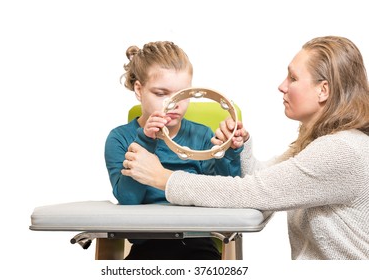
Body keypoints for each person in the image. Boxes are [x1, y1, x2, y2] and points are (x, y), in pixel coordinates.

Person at [121, 36, 369, 260]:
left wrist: (164, 178)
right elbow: (263, 182)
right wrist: (240, 147)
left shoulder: (341, 151)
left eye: (293, 78)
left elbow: (254, 192)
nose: (282, 86)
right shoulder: (318, 144)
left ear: (323, 90)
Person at [105, 41, 244, 260]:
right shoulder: (120, 138)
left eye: (182, 95)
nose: (174, 104)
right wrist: (146, 141)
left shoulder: (200, 135)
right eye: (162, 94)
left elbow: (224, 194)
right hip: (147, 244)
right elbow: (128, 200)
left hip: (198, 242)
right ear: (139, 90)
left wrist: (229, 152)